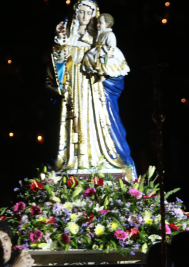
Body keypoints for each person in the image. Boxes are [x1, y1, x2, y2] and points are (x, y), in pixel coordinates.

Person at [47, 0, 137, 180]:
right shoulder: (67, 38)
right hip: (73, 90)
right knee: (70, 125)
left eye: (89, 13)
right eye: (81, 12)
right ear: (75, 14)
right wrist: (60, 47)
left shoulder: (99, 38)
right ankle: (72, 160)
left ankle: (98, 159)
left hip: (94, 91)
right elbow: (56, 69)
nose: (85, 17)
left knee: (101, 125)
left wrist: (105, 68)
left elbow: (110, 59)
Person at [82, 13, 130, 82]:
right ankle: (100, 75)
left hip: (105, 51)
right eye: (97, 23)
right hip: (98, 49)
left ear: (107, 24)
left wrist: (109, 52)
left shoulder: (109, 34)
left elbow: (112, 44)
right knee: (89, 56)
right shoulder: (100, 33)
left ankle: (104, 76)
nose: (98, 25)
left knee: (104, 63)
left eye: (100, 23)